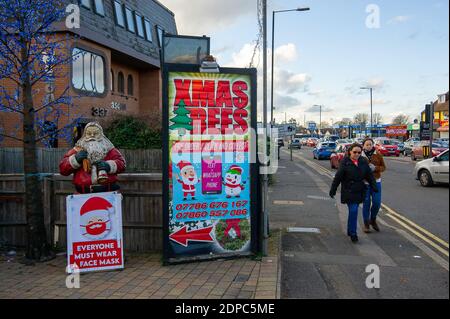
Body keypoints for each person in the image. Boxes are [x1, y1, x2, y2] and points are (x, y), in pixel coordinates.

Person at [329, 143, 378, 243]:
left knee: (353, 211)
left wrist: (374, 186)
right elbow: (338, 177)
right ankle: (353, 233)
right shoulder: (344, 162)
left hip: (359, 190)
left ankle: (349, 229)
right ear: (350, 152)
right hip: (348, 190)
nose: (357, 154)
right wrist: (333, 190)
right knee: (354, 210)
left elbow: (369, 175)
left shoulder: (363, 162)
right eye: (354, 152)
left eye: (359, 152)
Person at [59, 122, 126, 193]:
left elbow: (122, 163)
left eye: (96, 133)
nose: (92, 135)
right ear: (85, 135)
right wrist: (75, 159)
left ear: (101, 134)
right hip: (83, 195)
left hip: (107, 193)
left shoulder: (109, 149)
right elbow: (63, 169)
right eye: (89, 133)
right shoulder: (78, 149)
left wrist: (109, 166)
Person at [361, 138, 386, 232]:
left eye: (370, 144)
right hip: (365, 183)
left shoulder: (378, 154)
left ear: (372, 145)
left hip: (376, 182)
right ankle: (366, 224)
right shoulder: (360, 156)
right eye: (366, 144)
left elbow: (383, 167)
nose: (369, 146)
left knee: (377, 203)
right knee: (366, 203)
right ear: (363, 145)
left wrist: (375, 168)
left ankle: (373, 219)